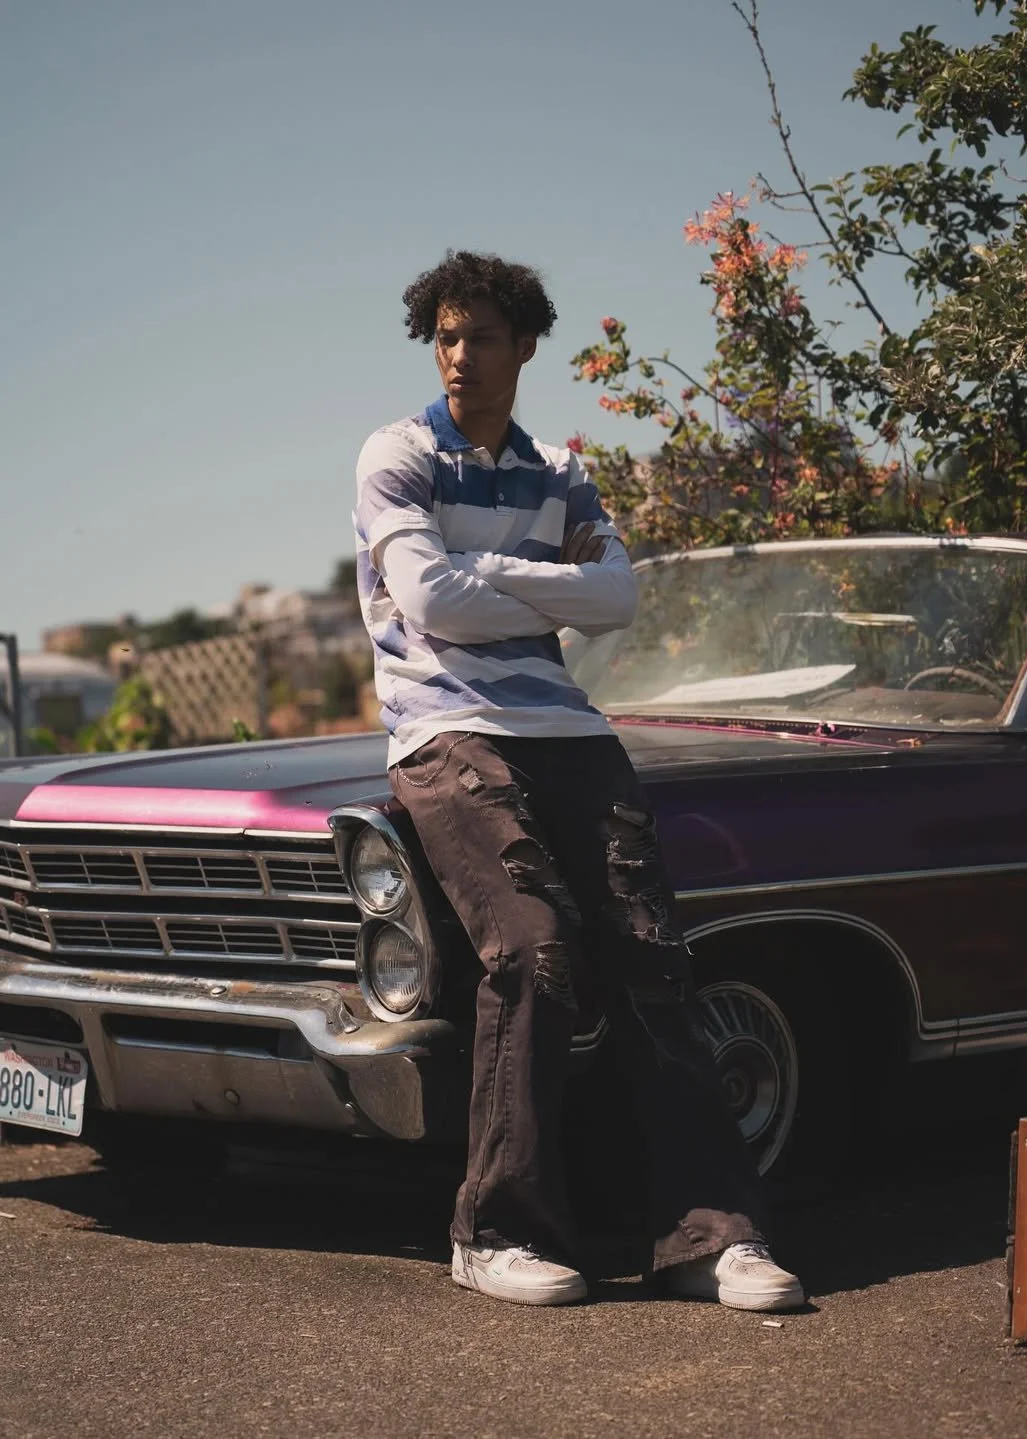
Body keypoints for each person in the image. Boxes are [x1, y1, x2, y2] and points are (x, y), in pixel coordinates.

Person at [353, 250, 804, 1311]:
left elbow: (619, 598)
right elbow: (430, 600)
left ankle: (710, 1238)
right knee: (534, 947)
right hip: (445, 728)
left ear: (525, 348)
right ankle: (497, 1229)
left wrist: (496, 576)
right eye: (446, 336)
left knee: (653, 957)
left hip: (565, 725)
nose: (461, 356)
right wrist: (544, 586)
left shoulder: (557, 469)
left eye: (483, 337)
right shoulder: (398, 453)